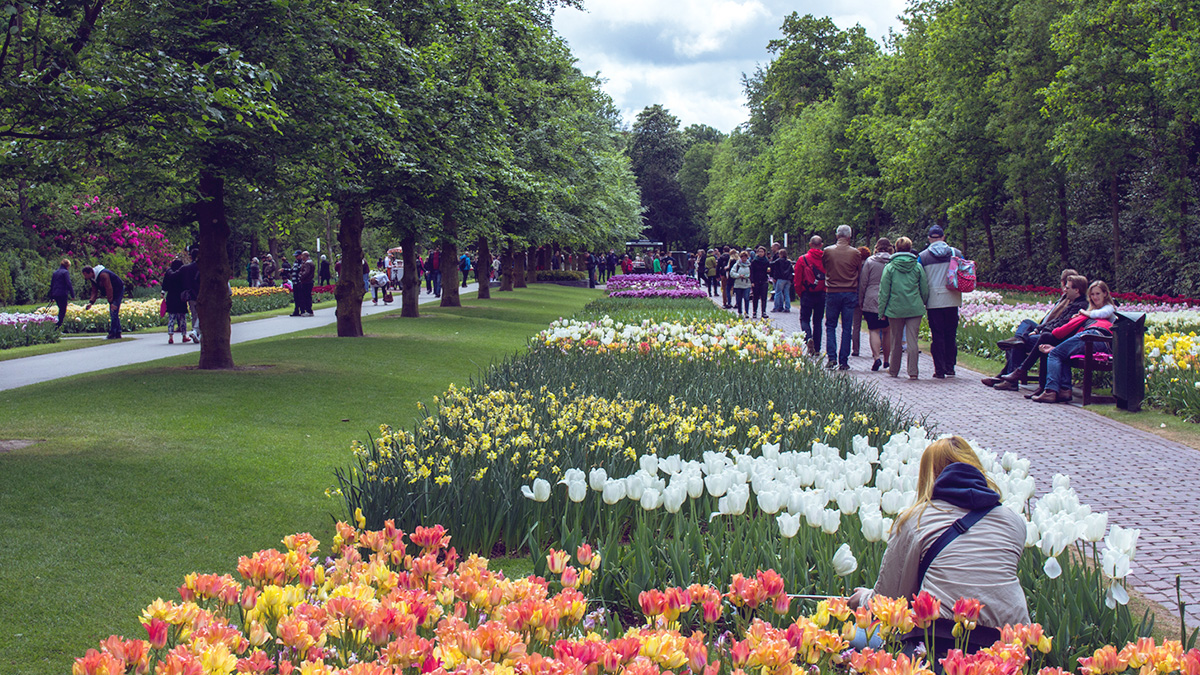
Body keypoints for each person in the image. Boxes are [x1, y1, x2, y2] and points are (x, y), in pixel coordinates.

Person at [848, 436, 1029, 659]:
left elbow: (889, 600)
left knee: (856, 637)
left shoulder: (914, 520)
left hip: (938, 641)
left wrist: (864, 599)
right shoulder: (1014, 521)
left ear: (928, 476)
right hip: (1009, 645)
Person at [982, 270, 1086, 390]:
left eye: (1067, 287)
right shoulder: (1070, 301)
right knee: (1025, 326)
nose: (1065, 289)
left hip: (1054, 335)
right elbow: (1056, 321)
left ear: (1076, 289)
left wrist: (1040, 330)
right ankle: (1015, 351)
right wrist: (1037, 329)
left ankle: (1010, 378)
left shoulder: (1076, 304)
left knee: (1019, 344)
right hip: (1047, 330)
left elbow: (1060, 323)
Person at [1026, 281, 1117, 404]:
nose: (1095, 297)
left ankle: (1050, 391)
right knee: (1061, 354)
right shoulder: (1090, 312)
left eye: (1098, 294)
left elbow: (1101, 314)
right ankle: (1065, 390)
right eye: (1092, 295)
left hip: (1094, 337)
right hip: (1096, 341)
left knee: (1054, 354)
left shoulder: (1106, 309)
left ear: (1105, 294)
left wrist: (1082, 314)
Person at [878, 237, 929, 379]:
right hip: (914, 308)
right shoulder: (917, 266)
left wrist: (881, 311)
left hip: (895, 308)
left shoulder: (890, 267)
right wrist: (922, 302)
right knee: (913, 340)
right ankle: (913, 372)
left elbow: (884, 291)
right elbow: (924, 288)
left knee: (896, 339)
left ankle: (894, 370)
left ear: (896, 248)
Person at [918, 225, 964, 379]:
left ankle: (939, 369)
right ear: (943, 237)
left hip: (934, 301)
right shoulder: (955, 253)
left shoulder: (923, 256)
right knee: (951, 334)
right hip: (952, 298)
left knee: (937, 335)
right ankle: (950, 366)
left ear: (930, 238)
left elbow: (921, 279)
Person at [823, 225, 864, 370]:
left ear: (836, 236)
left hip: (833, 291)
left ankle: (831, 357)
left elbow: (825, 267)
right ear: (849, 237)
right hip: (849, 291)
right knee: (847, 327)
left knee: (830, 326)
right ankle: (844, 360)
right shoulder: (855, 253)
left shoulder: (827, 251)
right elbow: (859, 271)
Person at [858, 238, 893, 372]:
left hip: (871, 297)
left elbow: (863, 282)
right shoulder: (892, 261)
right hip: (889, 298)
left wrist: (861, 300)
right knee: (887, 330)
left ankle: (876, 357)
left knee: (873, 330)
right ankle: (886, 360)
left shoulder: (870, 261)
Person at [793, 236, 826, 355]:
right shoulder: (825, 259)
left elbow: (797, 278)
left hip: (807, 293)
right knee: (818, 321)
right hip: (821, 293)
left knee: (805, 319)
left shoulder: (803, 259)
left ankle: (808, 338)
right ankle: (817, 348)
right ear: (821, 245)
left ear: (810, 244)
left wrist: (800, 292)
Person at [82, 264, 125, 339]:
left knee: (113, 310)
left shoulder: (103, 275)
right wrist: (91, 302)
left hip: (118, 290)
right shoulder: (93, 278)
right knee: (114, 312)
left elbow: (109, 288)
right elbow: (94, 291)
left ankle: (112, 333)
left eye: (85, 275)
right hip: (112, 291)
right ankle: (118, 332)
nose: (85, 277)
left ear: (91, 272)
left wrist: (111, 302)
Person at [161, 259, 190, 344]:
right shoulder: (182, 273)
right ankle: (184, 336)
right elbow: (186, 285)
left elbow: (164, 285)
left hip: (171, 298)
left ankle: (170, 337)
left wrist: (163, 293)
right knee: (182, 319)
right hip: (181, 298)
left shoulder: (168, 273)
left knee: (171, 318)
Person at [180, 247, 201, 343]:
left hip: (190, 295)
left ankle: (195, 332)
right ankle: (196, 332)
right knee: (201, 315)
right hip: (199, 293)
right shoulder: (200, 267)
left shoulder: (186, 268)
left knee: (194, 315)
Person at [49, 258, 75, 329]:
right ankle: (58, 326)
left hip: (55, 293)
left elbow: (52, 284)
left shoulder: (55, 272)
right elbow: (68, 283)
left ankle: (57, 325)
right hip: (62, 293)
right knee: (63, 310)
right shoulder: (65, 272)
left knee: (60, 309)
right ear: (67, 266)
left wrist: (51, 296)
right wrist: (72, 294)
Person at [749, 246, 771, 319]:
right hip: (756, 280)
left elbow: (769, 269)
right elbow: (751, 272)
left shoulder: (766, 261)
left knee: (764, 297)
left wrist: (769, 271)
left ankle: (763, 312)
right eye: (759, 252)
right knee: (755, 297)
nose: (760, 253)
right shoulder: (754, 261)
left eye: (762, 252)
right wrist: (752, 281)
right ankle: (754, 311)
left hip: (764, 280)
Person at [729, 250, 752, 317]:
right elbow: (732, 273)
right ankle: (740, 312)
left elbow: (752, 273)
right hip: (738, 284)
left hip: (747, 284)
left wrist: (748, 276)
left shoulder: (749, 265)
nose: (744, 258)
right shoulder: (737, 265)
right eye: (742, 257)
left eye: (745, 257)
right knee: (739, 299)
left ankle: (746, 312)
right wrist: (739, 275)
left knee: (746, 298)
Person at [769, 248, 792, 313]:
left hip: (780, 279)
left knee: (778, 292)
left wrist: (775, 278)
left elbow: (774, 268)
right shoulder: (789, 262)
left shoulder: (778, 261)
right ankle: (787, 307)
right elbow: (791, 271)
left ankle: (776, 307)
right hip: (788, 279)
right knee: (787, 293)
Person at [296, 251, 316, 316]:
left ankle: (308, 310)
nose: (301, 257)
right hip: (309, 281)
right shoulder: (311, 262)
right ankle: (309, 310)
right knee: (308, 296)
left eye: (302, 256)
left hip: (306, 281)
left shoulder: (307, 263)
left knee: (306, 296)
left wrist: (300, 275)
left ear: (305, 256)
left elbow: (306, 272)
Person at [289, 250, 305, 316]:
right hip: (294, 282)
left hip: (299, 282)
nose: (296, 257)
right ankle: (296, 311)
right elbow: (292, 270)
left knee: (301, 297)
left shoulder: (302, 262)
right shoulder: (295, 262)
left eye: (297, 256)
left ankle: (302, 310)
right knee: (296, 297)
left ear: (300, 255)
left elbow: (301, 270)